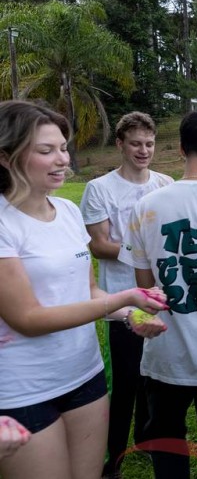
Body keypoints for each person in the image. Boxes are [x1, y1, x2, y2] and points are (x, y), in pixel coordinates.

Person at [0, 100, 167, 479]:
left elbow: (88, 290)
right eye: (46, 151)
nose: (62, 159)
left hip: (84, 376)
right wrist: (125, 297)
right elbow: (27, 318)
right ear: (6, 158)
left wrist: (131, 314)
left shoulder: (67, 212)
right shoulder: (5, 223)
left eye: (63, 148)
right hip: (24, 390)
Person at [119, 110, 197, 479]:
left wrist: (141, 317)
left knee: (167, 446)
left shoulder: (147, 207)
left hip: (166, 350)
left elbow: (146, 292)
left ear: (180, 149)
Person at [79, 111, 173, 478]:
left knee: (155, 380)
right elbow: (100, 245)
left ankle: (146, 441)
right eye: (135, 144)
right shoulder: (100, 189)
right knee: (126, 383)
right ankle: (114, 458)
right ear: (120, 144)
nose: (143, 150)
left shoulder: (165, 184)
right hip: (122, 302)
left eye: (149, 144)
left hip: (159, 297)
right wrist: (143, 251)